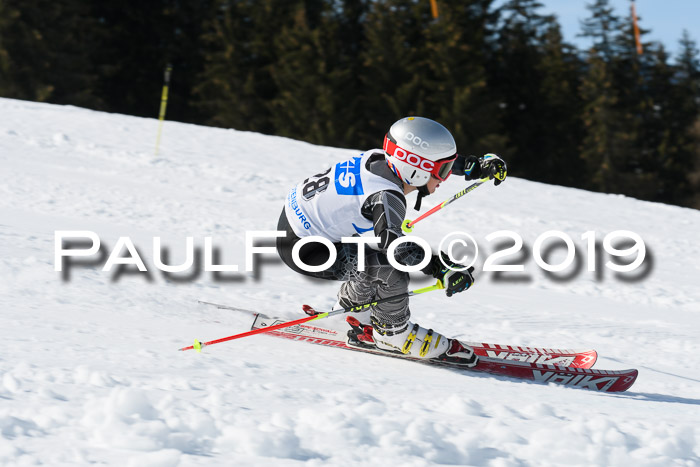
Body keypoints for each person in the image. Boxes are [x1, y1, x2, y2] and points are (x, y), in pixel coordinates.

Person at [276, 117, 506, 365]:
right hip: (306, 250)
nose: (444, 178)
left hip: (299, 229)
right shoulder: (386, 195)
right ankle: (392, 334)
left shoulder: (380, 159)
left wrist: (472, 166)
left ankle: (351, 309)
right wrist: (441, 267)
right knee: (389, 267)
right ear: (415, 169)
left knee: (371, 256)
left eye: (449, 169)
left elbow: (420, 157)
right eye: (443, 171)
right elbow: (395, 249)